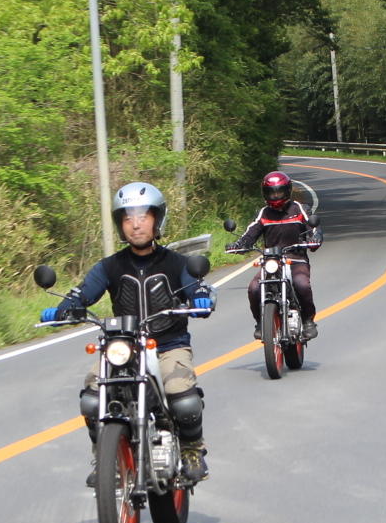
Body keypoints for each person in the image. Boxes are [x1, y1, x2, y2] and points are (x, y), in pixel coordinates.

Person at [46, 181, 214, 484]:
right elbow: (83, 293)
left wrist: (202, 297)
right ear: (119, 224)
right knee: (92, 397)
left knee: (182, 396)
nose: (135, 225)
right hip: (124, 348)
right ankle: (104, 457)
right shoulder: (110, 266)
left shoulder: (177, 263)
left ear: (157, 219)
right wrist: (64, 308)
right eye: (127, 218)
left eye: (143, 216)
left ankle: (191, 449)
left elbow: (195, 286)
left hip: (168, 344)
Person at [228, 170, 322, 341]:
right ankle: (260, 323)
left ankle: (308, 321)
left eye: (279, 191)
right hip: (271, 261)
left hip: (296, 259)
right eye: (272, 192)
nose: (275, 195)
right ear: (265, 193)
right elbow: (251, 232)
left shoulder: (299, 209)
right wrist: (239, 244)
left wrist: (314, 238)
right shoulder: (264, 213)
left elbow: (313, 227)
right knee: (254, 288)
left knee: (301, 284)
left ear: (287, 190)